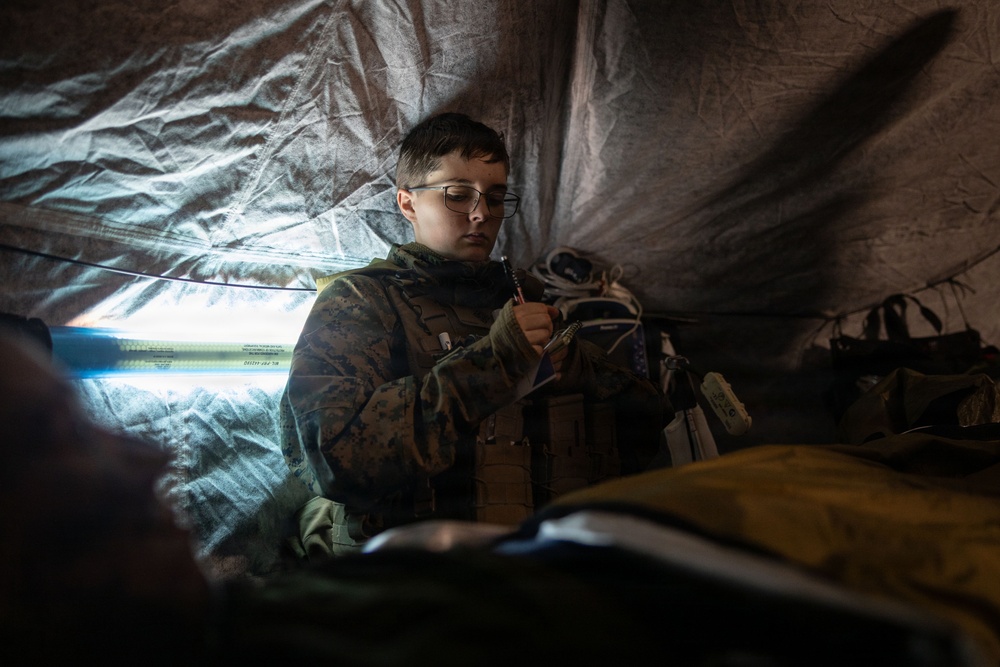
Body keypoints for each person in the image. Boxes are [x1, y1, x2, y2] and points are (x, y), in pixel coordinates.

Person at [279, 112, 667, 554]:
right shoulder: (360, 303)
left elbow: (649, 432)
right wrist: (492, 362)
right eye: (458, 195)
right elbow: (333, 461)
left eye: (495, 197)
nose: (481, 214)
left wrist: (583, 371)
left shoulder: (524, 301)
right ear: (407, 203)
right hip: (419, 588)